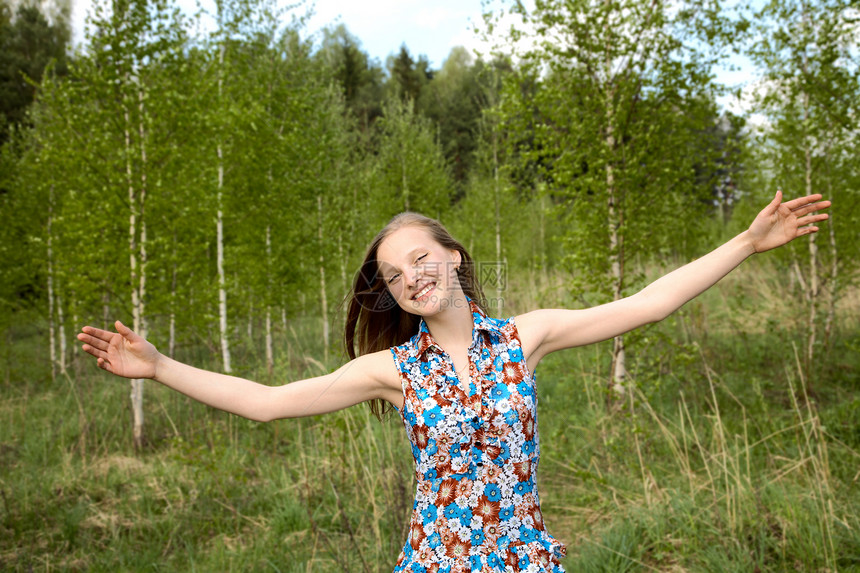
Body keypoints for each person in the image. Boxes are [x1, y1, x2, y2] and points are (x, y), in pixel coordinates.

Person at [78, 190, 829, 572]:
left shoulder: (524, 338)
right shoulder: (392, 372)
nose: (412, 276)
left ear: (456, 256)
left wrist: (747, 240)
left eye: (421, 258)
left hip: (526, 557)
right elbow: (268, 404)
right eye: (395, 275)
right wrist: (162, 366)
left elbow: (645, 303)